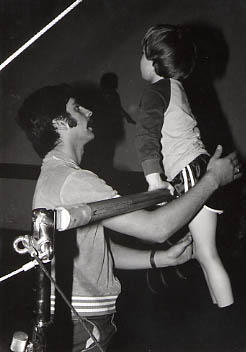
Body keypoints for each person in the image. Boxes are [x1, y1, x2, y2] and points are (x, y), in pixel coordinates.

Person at [17, 84, 241, 352]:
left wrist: (161, 259)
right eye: (76, 107)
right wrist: (213, 179)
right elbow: (157, 228)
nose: (88, 111)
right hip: (81, 324)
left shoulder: (57, 176)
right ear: (59, 124)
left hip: (82, 320)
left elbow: (96, 251)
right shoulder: (73, 180)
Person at [135, 24, 237, 308]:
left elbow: (147, 137)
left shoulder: (156, 91)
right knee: (206, 253)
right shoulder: (177, 88)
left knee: (207, 254)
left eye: (142, 55)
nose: (139, 61)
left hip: (190, 170)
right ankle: (221, 308)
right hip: (200, 168)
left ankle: (227, 316)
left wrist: (154, 179)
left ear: (153, 60)